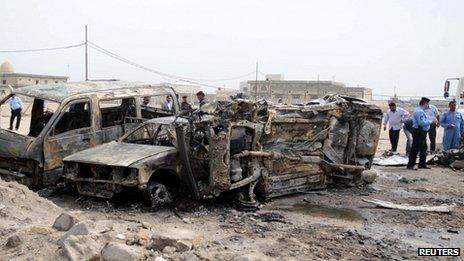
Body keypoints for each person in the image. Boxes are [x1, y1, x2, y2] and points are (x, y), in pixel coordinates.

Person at [407, 97, 437, 170]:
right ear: (425, 103)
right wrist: (431, 121)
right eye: (427, 103)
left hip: (422, 132)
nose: (428, 105)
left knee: (424, 148)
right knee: (415, 148)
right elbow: (421, 123)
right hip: (419, 132)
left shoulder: (421, 111)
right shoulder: (419, 111)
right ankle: (411, 165)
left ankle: (422, 164)